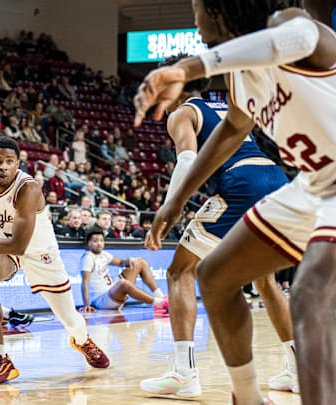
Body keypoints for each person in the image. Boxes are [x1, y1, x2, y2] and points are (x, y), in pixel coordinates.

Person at [133, 2, 336, 404]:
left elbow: (299, 37)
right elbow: (231, 129)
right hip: (311, 184)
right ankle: (247, 397)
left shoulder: (289, 23)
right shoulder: (239, 76)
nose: (195, 19)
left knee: (311, 293)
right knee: (214, 277)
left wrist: (188, 69)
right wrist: (175, 200)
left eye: (198, 7)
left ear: (221, 9)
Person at [139, 54, 295, 399]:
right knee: (265, 279)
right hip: (276, 178)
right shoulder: (223, 105)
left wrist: (168, 210)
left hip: (242, 183)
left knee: (180, 271)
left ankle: (184, 373)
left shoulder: (183, 113)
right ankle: (297, 369)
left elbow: (188, 160)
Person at [0, 137, 110, 385]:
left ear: (17, 164)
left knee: (69, 319)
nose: (3, 167)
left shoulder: (28, 189)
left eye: (9, 162)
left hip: (40, 252)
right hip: (3, 245)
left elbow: (19, 245)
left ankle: (83, 340)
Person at [80, 229, 166, 312]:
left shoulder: (104, 254)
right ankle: (160, 303)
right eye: (95, 241)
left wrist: (129, 260)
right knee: (123, 283)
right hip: (101, 300)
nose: (99, 243)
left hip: (112, 292)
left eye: (101, 241)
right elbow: (85, 283)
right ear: (88, 243)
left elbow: (121, 262)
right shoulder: (88, 258)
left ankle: (160, 296)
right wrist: (86, 305)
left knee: (140, 262)